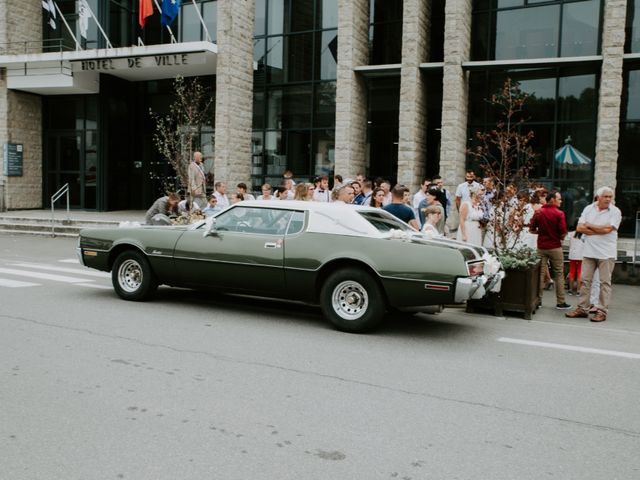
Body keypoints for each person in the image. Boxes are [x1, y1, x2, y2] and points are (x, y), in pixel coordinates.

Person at [565, 187, 622, 322]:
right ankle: (582, 309)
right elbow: (579, 228)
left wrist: (589, 226)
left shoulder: (615, 211)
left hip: (606, 253)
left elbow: (608, 230)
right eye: (606, 196)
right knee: (585, 281)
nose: (609, 199)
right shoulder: (588, 209)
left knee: (604, 283)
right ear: (598, 197)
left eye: (610, 196)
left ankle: (602, 311)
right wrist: (600, 229)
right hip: (589, 251)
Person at [529, 190, 571, 310]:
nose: (561, 201)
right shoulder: (559, 213)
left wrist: (541, 232)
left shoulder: (539, 212)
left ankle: (538, 301)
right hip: (555, 246)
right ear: (552, 199)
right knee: (559, 274)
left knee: (540, 274)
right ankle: (561, 302)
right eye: (559, 199)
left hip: (541, 246)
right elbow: (563, 232)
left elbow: (531, 229)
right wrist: (559, 237)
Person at [566, 223, 584, 296]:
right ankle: (578, 290)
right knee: (579, 272)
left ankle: (570, 290)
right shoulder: (585, 234)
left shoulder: (571, 234)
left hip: (572, 255)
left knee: (572, 272)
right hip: (581, 255)